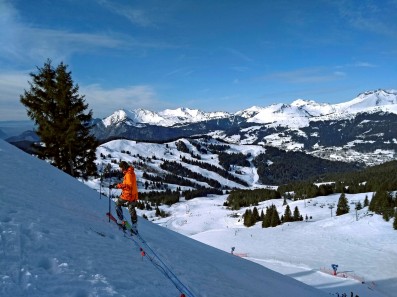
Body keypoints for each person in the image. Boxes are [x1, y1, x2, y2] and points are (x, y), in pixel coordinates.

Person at [115, 161, 138, 232]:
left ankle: (121, 220)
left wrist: (117, 185)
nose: (120, 170)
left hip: (128, 195)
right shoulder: (131, 172)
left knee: (117, 204)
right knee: (132, 210)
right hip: (133, 195)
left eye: (121, 168)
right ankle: (134, 227)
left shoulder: (128, 174)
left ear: (124, 167)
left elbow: (128, 186)